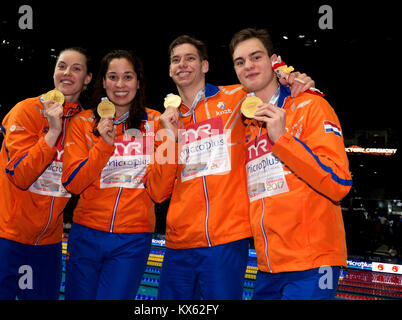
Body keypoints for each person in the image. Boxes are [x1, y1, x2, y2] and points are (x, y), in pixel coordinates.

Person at [145, 35, 314, 300]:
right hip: (179, 243)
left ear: (205, 66)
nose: (182, 64)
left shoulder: (238, 98)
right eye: (176, 60)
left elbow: (271, 85)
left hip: (226, 241)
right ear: (169, 69)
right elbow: (157, 191)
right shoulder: (164, 122)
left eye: (190, 58)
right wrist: (170, 136)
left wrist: (292, 78)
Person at [229, 27, 353, 299]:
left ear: (274, 61)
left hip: (313, 263)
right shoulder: (245, 123)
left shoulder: (311, 106)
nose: (248, 65)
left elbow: (340, 182)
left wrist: (283, 139)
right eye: (240, 62)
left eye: (256, 57)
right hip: (269, 264)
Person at [0, 47, 93, 299]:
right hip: (3, 236)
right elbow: (21, 175)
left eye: (76, 68)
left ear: (88, 78)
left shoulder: (86, 124)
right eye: (61, 66)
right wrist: (52, 133)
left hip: (46, 245)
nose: (67, 73)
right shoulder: (26, 111)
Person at [61, 50, 173, 299]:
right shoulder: (83, 123)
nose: (120, 85)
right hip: (86, 233)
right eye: (113, 77)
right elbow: (73, 183)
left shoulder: (157, 123)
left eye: (128, 77)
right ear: (102, 82)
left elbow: (162, 190)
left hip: (133, 239)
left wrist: (170, 138)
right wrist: (104, 144)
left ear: (138, 82)